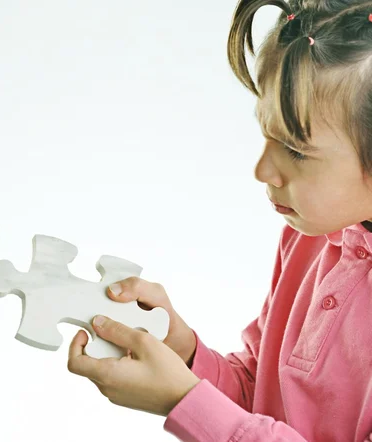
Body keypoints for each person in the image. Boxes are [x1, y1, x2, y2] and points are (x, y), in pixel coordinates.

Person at [67, 0, 372, 440]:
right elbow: (256, 397)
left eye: (297, 151)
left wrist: (182, 401)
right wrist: (184, 352)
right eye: (266, 133)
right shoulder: (308, 238)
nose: (262, 171)